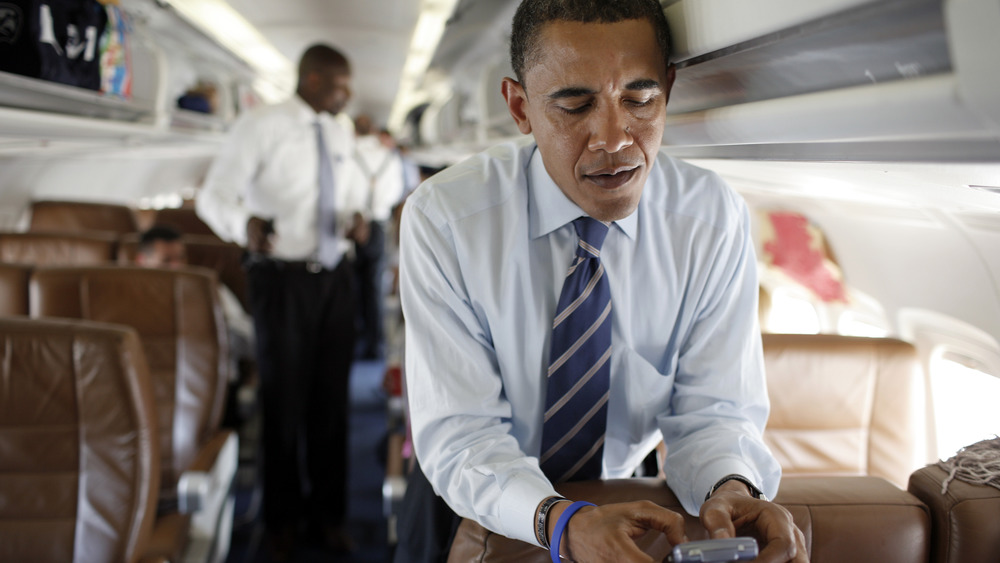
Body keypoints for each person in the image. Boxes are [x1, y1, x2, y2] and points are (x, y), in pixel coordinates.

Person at [397, 1, 808, 562]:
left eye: (639, 99)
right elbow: (463, 434)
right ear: (520, 107)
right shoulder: (447, 219)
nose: (614, 139)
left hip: (624, 489)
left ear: (668, 87)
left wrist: (729, 488)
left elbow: (713, 411)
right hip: (471, 499)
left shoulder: (712, 220)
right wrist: (561, 520)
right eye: (574, 104)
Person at [194, 43, 367, 559]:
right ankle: (279, 522)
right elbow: (213, 196)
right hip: (280, 280)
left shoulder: (341, 130)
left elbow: (350, 191)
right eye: (340, 85)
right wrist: (241, 226)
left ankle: (327, 518)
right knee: (283, 402)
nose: (347, 95)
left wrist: (357, 217)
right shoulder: (261, 125)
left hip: (335, 279)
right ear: (312, 80)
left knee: (331, 405)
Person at [134, 224, 255, 369]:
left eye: (180, 258)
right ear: (141, 261)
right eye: (166, 260)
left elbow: (242, 329)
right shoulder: (125, 295)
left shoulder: (208, 288)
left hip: (204, 368)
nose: (176, 266)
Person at [351, 114, 405, 359]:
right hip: (378, 225)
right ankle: (375, 344)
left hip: (352, 224)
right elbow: (395, 193)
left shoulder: (349, 154)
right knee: (373, 285)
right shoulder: (388, 157)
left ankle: (355, 337)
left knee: (351, 284)